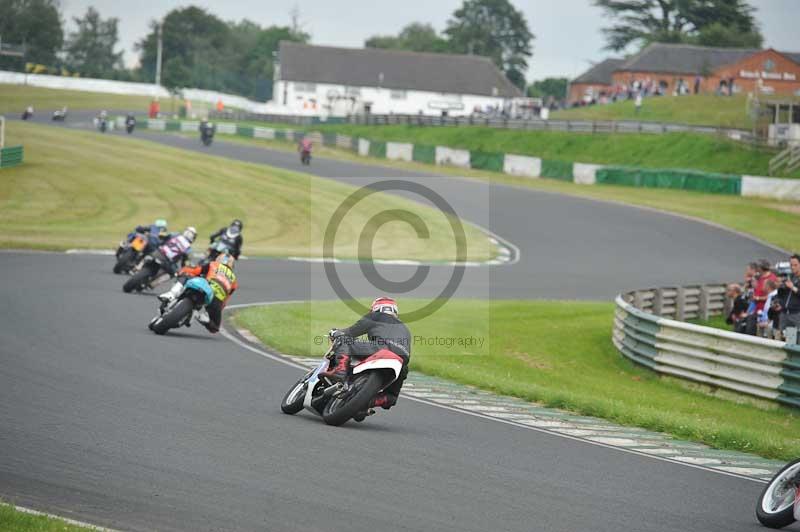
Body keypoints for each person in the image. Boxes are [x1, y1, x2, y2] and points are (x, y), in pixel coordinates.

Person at [323, 297, 411, 414]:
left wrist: (336, 332)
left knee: (343, 341)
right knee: (391, 397)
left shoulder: (376, 316)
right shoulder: (405, 328)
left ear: (375, 308)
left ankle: (340, 371)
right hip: (402, 360)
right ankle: (368, 403)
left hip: (381, 348)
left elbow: (350, 332)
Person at [158, 252, 238, 333]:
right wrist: (216, 310)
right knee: (215, 328)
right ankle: (203, 318)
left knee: (186, 275)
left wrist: (183, 271)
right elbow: (225, 300)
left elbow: (196, 270)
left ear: (218, 259)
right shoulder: (234, 280)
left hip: (206, 286)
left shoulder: (213, 264)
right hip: (217, 300)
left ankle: (172, 294)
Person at [779, 254, 800, 338]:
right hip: (784, 313)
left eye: (795, 265)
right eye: (791, 265)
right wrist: (781, 287)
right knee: (781, 338)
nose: (793, 267)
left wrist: (793, 287)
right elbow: (781, 295)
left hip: (797, 314)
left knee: (797, 339)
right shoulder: (790, 277)